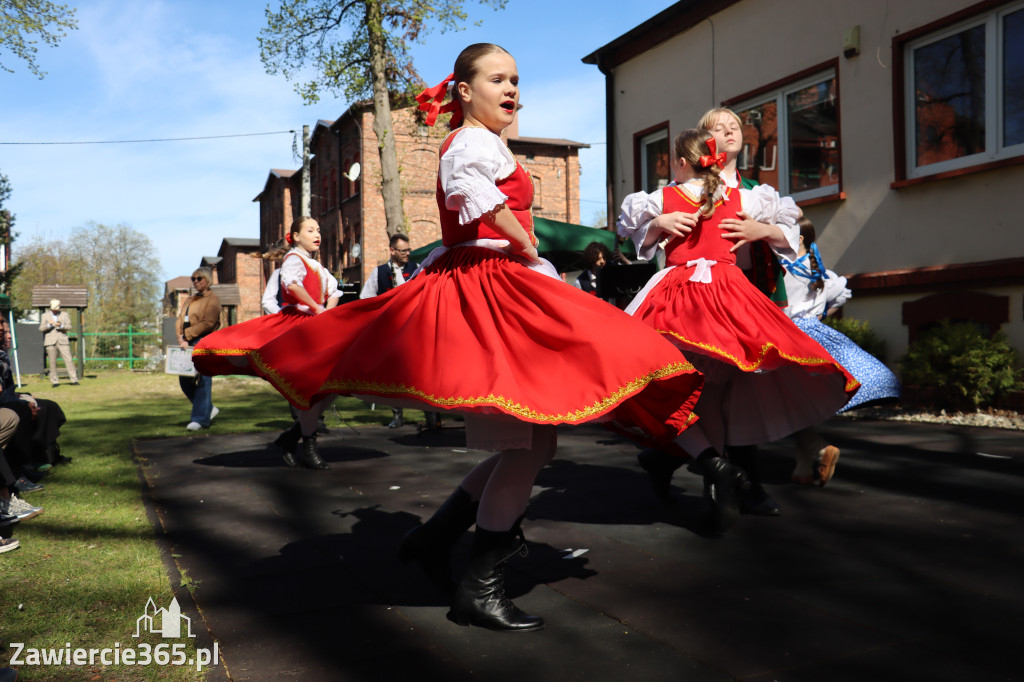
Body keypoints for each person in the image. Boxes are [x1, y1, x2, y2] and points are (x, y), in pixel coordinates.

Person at [246, 43, 704, 632]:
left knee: (536, 442)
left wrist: (533, 247)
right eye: (498, 79)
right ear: (464, 91)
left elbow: (491, 202)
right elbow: (477, 200)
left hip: (502, 283)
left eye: (516, 79)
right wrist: (527, 243)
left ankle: (435, 539)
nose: (512, 89)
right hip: (486, 289)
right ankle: (478, 585)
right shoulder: (469, 143)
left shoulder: (491, 144)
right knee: (527, 443)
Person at [617, 129, 858, 533]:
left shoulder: (664, 197)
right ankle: (718, 481)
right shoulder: (743, 197)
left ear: (679, 162)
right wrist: (762, 230)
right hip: (729, 297)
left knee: (668, 383)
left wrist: (658, 221)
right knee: (715, 393)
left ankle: (715, 477)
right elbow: (792, 222)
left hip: (679, 300)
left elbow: (625, 230)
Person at [194, 218, 341, 468]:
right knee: (312, 388)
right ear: (295, 236)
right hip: (298, 330)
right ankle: (308, 445)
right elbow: (291, 286)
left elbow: (335, 292)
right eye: (310, 230)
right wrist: (316, 309)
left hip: (317, 329)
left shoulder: (317, 266)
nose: (317, 234)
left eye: (318, 230)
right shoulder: (293, 259)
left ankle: (292, 437)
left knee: (331, 384)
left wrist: (325, 313)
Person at [780, 217, 901, 485]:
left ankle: (821, 449)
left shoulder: (785, 270)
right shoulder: (819, 272)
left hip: (789, 339)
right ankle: (802, 470)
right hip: (815, 338)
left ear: (798, 239)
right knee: (800, 405)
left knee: (784, 402)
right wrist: (819, 316)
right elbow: (842, 294)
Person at [360, 232, 419, 429]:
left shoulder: (416, 269)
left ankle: (431, 416)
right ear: (392, 251)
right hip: (390, 330)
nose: (407, 254)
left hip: (413, 328)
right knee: (394, 373)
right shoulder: (379, 272)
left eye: (408, 250)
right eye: (403, 251)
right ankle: (397, 415)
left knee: (421, 371)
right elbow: (366, 298)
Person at [175, 268, 221, 432]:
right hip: (187, 341)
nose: (195, 281)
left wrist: (187, 334)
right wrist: (181, 337)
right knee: (185, 379)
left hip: (205, 341)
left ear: (207, 280)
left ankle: (200, 419)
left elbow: (208, 323)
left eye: (199, 278)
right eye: (193, 278)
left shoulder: (213, 300)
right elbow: (180, 319)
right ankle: (207, 409)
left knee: (203, 378)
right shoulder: (189, 299)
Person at [39, 299, 78, 387]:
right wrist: (49, 325)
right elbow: (41, 328)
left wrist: (61, 326)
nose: (56, 310)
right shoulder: (45, 315)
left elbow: (69, 326)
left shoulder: (65, 314)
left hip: (63, 340)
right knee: (52, 362)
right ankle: (55, 381)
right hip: (50, 341)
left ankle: (74, 379)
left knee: (69, 360)